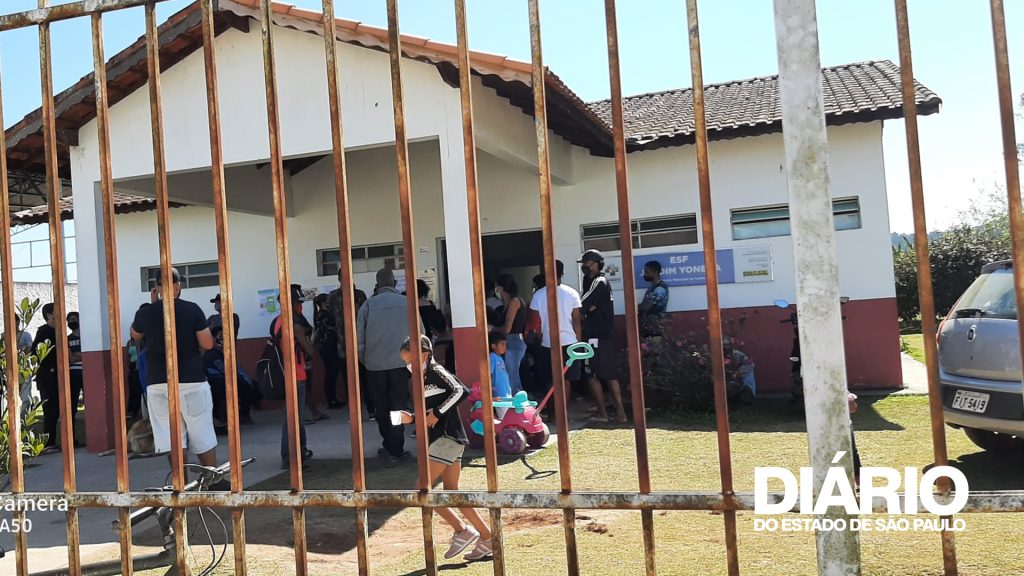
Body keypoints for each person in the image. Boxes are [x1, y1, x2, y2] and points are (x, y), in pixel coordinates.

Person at [397, 335, 493, 561]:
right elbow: (429, 413)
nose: (408, 365)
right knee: (451, 491)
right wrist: (410, 418)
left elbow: (461, 391)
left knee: (422, 490)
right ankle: (488, 538)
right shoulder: (423, 379)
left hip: (447, 438)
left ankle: (462, 531)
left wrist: (438, 412)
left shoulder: (435, 372)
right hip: (445, 440)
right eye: (405, 361)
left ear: (424, 354)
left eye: (410, 359)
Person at [130, 268, 218, 468]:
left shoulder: (145, 312)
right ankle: (212, 481)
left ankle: (181, 485)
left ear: (158, 287)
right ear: (178, 286)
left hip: (159, 383)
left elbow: (136, 335)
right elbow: (207, 344)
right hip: (191, 380)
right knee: (202, 434)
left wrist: (153, 306)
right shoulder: (192, 309)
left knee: (172, 437)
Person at [357, 268, 417, 465]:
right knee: (398, 405)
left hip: (375, 366)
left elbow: (359, 339)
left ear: (377, 283)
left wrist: (366, 360)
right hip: (401, 363)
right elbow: (420, 333)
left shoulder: (367, 305)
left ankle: (389, 445)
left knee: (381, 406)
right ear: (394, 283)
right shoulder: (407, 302)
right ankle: (397, 448)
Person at [528, 260, 583, 415]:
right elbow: (577, 320)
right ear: (562, 273)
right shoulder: (572, 293)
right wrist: (578, 340)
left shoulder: (538, 295)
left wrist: (541, 336)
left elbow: (535, 324)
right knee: (566, 380)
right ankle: (563, 414)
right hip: (570, 342)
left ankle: (553, 414)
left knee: (550, 380)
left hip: (548, 343)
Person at [578, 250, 627, 424]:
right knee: (602, 373)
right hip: (598, 333)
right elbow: (586, 306)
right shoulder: (591, 281)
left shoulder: (599, 281)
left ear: (595, 263)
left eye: (586, 264)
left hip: (598, 334)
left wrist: (587, 310)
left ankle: (605, 413)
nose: (584, 268)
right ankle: (614, 411)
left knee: (593, 373)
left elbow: (581, 305)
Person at [275, 284, 317, 470]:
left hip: (285, 374)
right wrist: (311, 339)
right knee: (293, 420)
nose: (300, 306)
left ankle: (300, 452)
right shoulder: (294, 324)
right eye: (297, 302)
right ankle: (290, 458)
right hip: (295, 375)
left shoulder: (278, 321)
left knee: (293, 418)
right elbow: (311, 351)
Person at [203, 325, 257, 429]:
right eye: (220, 336)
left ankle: (243, 414)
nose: (222, 339)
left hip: (229, 382)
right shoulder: (211, 354)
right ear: (214, 338)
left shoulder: (223, 353)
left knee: (251, 385)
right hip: (219, 385)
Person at [33, 303, 61, 453]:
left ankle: (52, 440)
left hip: (57, 376)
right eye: (57, 310)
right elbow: (36, 353)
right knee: (50, 410)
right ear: (50, 315)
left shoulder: (58, 331)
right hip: (47, 378)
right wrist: (49, 367)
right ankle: (48, 442)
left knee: (56, 409)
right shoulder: (44, 332)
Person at [494, 274, 527, 394]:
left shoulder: (514, 302)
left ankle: (517, 406)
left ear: (500, 288)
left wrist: (492, 329)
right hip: (512, 342)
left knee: (511, 377)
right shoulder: (508, 303)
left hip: (513, 342)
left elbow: (507, 328)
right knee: (511, 375)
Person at [313, 293, 344, 409]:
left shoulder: (321, 314)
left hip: (327, 347)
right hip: (328, 348)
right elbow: (335, 328)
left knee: (332, 373)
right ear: (323, 303)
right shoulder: (325, 315)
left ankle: (333, 399)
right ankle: (331, 400)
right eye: (328, 301)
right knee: (331, 374)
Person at [66, 312, 85, 443]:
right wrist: (78, 355)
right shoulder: (67, 339)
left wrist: (76, 355)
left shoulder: (86, 337)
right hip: (72, 374)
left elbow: (86, 355)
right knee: (71, 406)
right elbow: (69, 358)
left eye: (73, 319)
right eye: (69, 320)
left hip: (86, 373)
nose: (71, 322)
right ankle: (72, 439)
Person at [638, 261, 669, 336]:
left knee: (654, 346)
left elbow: (645, 307)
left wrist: (639, 306)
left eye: (647, 272)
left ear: (655, 273)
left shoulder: (660, 289)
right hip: (647, 326)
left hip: (656, 328)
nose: (645, 275)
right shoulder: (652, 287)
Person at [488, 331, 512, 401]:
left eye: (505, 344)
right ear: (493, 346)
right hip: (499, 396)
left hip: (506, 394)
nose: (505, 347)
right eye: (502, 344)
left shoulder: (500, 358)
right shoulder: (492, 357)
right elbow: (489, 374)